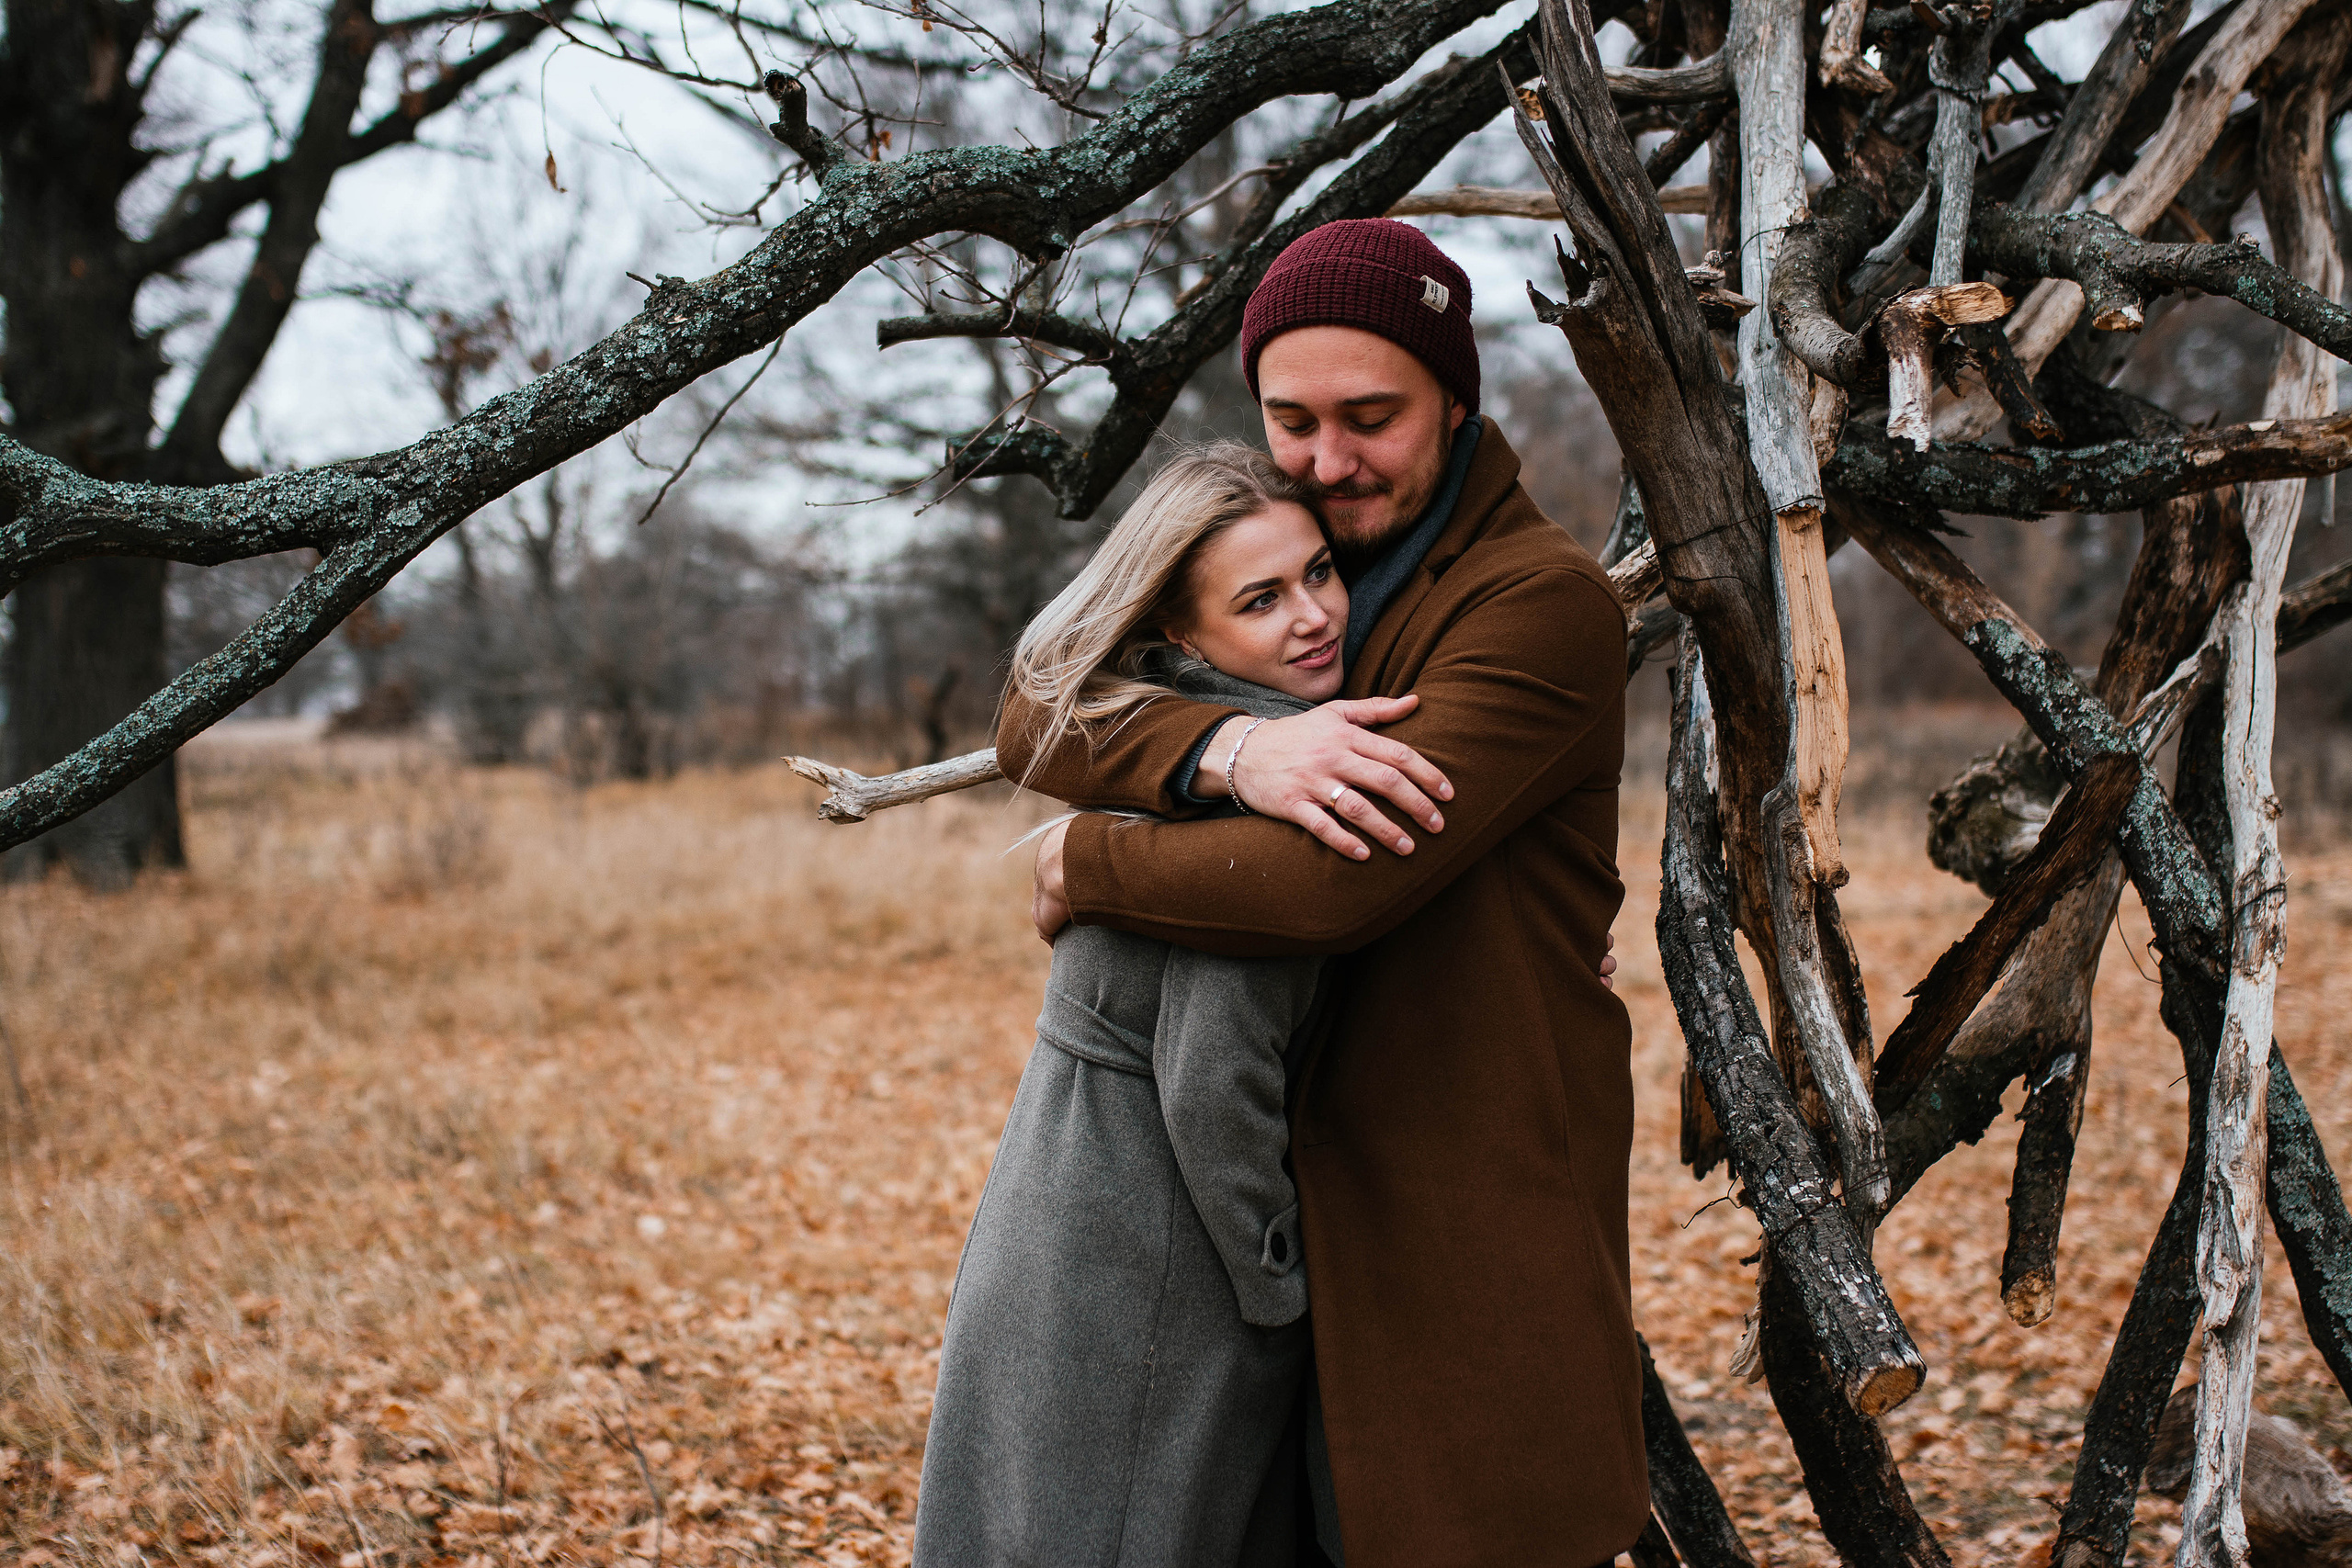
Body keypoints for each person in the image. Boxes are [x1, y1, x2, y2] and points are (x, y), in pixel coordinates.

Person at [1012, 219, 1646, 1568]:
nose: (1327, 459)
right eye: (1291, 418)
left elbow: (1319, 886)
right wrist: (1232, 745)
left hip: (1461, 1198)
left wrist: (1087, 858)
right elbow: (1035, 703)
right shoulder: (1310, 557)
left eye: (1372, 416)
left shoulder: (1537, 605)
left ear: (1456, 400)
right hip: (1275, 1225)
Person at [915, 444, 1367, 1567]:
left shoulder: (1157, 745)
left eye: (1318, 572)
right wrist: (1286, 1294)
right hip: (1152, 1269)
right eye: (1260, 600)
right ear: (1180, 637)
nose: (1312, 616)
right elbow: (1218, 1082)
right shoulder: (1263, 790)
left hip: (1060, 1224)